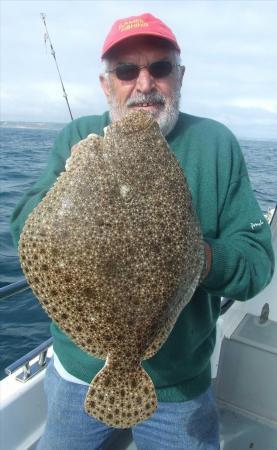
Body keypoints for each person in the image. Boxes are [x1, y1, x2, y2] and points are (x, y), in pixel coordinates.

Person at [11, 13, 274, 450]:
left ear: (180, 75)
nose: (145, 83)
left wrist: (197, 258)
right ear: (106, 84)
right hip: (76, 375)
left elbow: (257, 265)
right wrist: (70, 186)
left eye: (161, 67)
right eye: (128, 70)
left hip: (181, 386)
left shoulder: (216, 143)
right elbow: (24, 231)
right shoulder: (79, 135)